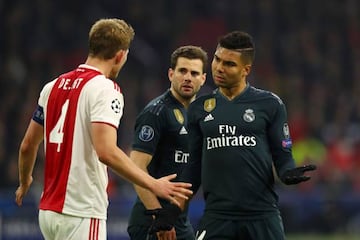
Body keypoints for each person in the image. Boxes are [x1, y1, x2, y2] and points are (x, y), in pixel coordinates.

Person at [14, 18, 192, 240]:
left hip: (48, 212)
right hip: (81, 211)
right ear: (120, 55)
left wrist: (25, 181)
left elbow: (28, 145)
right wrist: (153, 183)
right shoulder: (105, 89)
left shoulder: (52, 86)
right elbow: (106, 151)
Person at [146, 31, 317, 239]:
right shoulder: (199, 109)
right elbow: (193, 168)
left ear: (246, 70)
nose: (219, 67)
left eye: (229, 64)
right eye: (217, 59)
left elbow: (283, 156)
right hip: (218, 217)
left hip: (262, 215)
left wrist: (287, 172)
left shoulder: (270, 104)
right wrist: (172, 211)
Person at [127, 45, 208, 240]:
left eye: (194, 73)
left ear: (203, 79)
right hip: (152, 220)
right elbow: (136, 167)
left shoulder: (202, 115)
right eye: (182, 71)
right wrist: (159, 215)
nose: (188, 77)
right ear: (171, 74)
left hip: (178, 218)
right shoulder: (156, 113)